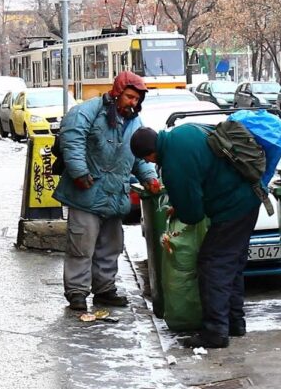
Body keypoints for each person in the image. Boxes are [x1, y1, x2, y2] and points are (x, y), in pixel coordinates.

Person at [130, 125, 261, 349]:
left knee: (213, 264)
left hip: (233, 207)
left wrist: (181, 207)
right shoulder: (184, 132)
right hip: (249, 197)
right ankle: (234, 322)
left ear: (149, 154)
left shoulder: (172, 163)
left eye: (148, 160)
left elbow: (193, 214)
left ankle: (216, 331)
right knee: (231, 263)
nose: (151, 164)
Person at [53, 71, 159, 312]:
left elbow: (138, 155)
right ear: (116, 93)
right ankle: (77, 292)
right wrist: (79, 172)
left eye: (137, 99)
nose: (133, 103)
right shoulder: (85, 112)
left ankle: (104, 290)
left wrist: (150, 178)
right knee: (81, 246)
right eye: (130, 97)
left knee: (110, 247)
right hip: (86, 195)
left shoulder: (134, 122)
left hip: (113, 196)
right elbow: (72, 141)